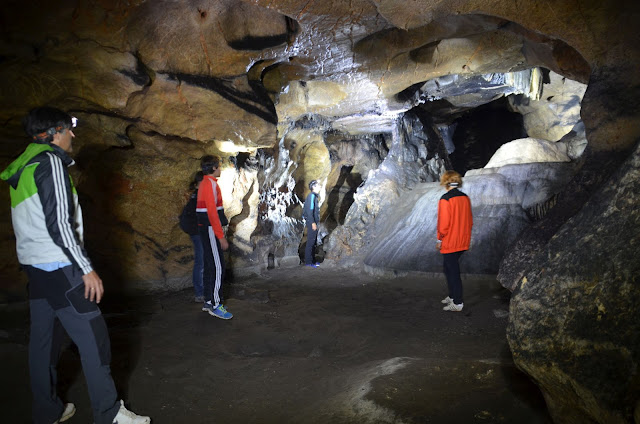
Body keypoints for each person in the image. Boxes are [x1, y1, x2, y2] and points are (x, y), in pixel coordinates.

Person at [0, 107, 150, 423]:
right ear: (54, 132)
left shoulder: (24, 166)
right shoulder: (51, 162)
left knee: (43, 344)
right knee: (95, 340)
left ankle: (47, 410)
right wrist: (85, 267)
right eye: (69, 128)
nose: (73, 134)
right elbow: (60, 224)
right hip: (61, 267)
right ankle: (108, 413)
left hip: (37, 269)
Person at [196, 155, 233, 319]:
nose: (220, 169)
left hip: (206, 229)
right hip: (211, 229)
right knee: (218, 267)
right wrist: (221, 236)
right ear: (212, 168)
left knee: (210, 265)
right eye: (218, 166)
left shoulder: (205, 183)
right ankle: (216, 305)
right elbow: (212, 212)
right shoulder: (209, 184)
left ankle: (209, 301)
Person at [436, 170, 473, 312]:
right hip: (462, 240)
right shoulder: (465, 198)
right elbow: (469, 221)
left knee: (453, 271)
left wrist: (440, 239)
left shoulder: (445, 199)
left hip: (450, 241)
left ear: (446, 182)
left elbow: (443, 224)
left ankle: (458, 303)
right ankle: (452, 296)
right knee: (448, 268)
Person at [179, 171, 204, 302]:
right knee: (201, 262)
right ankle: (200, 293)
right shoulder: (198, 196)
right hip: (198, 233)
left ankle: (202, 291)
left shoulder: (196, 195)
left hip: (197, 233)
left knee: (202, 262)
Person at [302, 180, 321, 268]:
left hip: (313, 222)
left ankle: (312, 261)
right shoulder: (311, 196)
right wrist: (313, 222)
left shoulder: (314, 197)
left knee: (313, 242)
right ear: (314, 187)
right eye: (318, 185)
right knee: (310, 242)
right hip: (311, 222)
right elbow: (310, 211)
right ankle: (309, 262)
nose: (320, 187)